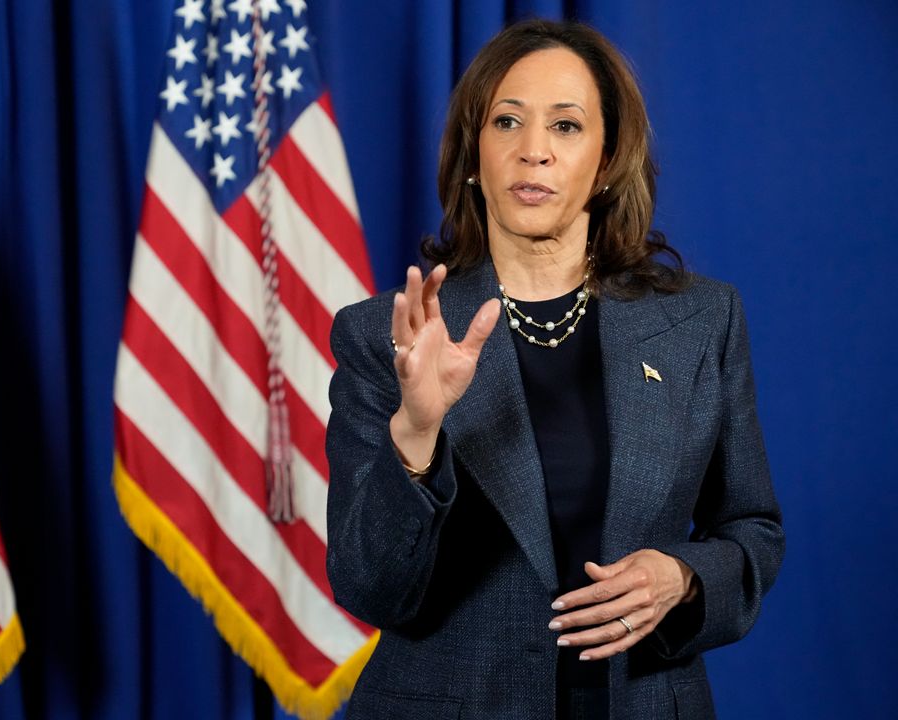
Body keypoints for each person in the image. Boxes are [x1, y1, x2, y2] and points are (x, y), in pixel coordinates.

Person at [325, 19, 784, 720]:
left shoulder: (702, 322)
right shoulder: (386, 335)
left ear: (605, 163)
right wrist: (416, 434)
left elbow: (752, 528)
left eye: (566, 127)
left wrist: (684, 576)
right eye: (507, 121)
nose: (533, 151)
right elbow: (370, 588)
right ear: (475, 154)